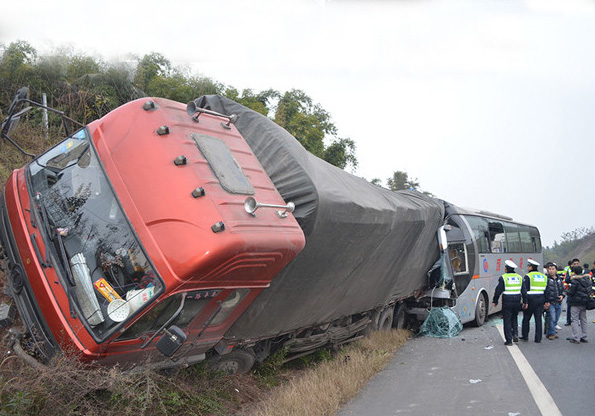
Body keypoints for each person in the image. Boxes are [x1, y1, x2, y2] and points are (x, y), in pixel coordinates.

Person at [492, 260, 522, 346]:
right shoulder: (519, 277)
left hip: (507, 301)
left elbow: (498, 290)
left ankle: (509, 340)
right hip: (517, 300)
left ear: (506, 269)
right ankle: (515, 334)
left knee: (507, 320)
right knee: (514, 317)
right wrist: (525, 301)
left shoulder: (503, 278)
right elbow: (523, 291)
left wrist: (495, 301)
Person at [520, 259, 547, 343]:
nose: (528, 268)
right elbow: (547, 290)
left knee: (526, 318)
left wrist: (525, 302)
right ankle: (538, 338)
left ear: (531, 267)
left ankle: (525, 336)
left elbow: (524, 290)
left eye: (528, 266)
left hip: (530, 299)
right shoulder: (543, 276)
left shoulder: (528, 276)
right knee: (538, 319)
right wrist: (546, 301)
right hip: (541, 299)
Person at [567, 265, 593, 344]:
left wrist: (566, 291)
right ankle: (584, 336)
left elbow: (571, 292)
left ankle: (576, 337)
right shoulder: (587, 280)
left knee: (574, 320)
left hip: (575, 303)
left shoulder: (575, 281)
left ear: (574, 272)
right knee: (583, 319)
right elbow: (589, 291)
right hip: (584, 302)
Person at [544, 262, 564, 339]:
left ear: (556, 270)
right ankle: (551, 333)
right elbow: (544, 291)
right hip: (550, 302)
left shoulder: (559, 279)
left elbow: (563, 289)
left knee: (556, 317)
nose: (551, 271)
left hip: (558, 301)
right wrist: (546, 302)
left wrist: (562, 295)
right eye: (550, 269)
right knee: (552, 317)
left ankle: (550, 331)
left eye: (553, 269)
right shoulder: (546, 279)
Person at [564, 258, 581, 326]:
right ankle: (568, 320)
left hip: (579, 290)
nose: (576, 265)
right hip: (571, 290)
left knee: (579, 306)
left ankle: (579, 320)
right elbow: (567, 280)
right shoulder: (569, 271)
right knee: (569, 305)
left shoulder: (581, 270)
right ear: (572, 264)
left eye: (577, 264)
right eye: (574, 264)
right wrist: (571, 277)